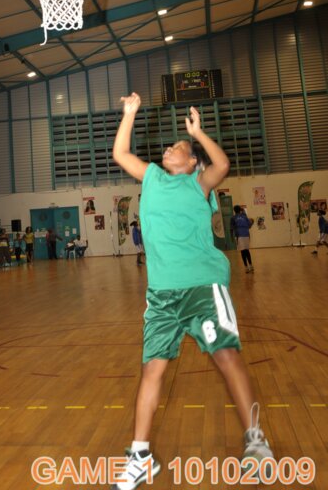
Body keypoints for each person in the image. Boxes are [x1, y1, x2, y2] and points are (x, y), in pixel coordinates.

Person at [110, 94, 273, 490]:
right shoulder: (152, 176)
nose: (169, 149)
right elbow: (120, 154)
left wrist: (198, 133)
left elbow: (222, 165)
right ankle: (140, 458)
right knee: (151, 370)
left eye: (178, 147)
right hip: (161, 293)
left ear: (192, 163)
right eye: (170, 146)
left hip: (202, 285)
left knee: (226, 356)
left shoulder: (200, 184)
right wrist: (129, 114)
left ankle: (256, 442)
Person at [231, 206, 254, 272]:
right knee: (247, 251)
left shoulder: (233, 218)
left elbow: (231, 229)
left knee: (243, 251)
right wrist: (252, 222)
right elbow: (249, 226)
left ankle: (246, 267)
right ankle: (251, 266)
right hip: (246, 235)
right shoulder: (244, 216)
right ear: (240, 210)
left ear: (234, 211)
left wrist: (231, 237)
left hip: (239, 236)